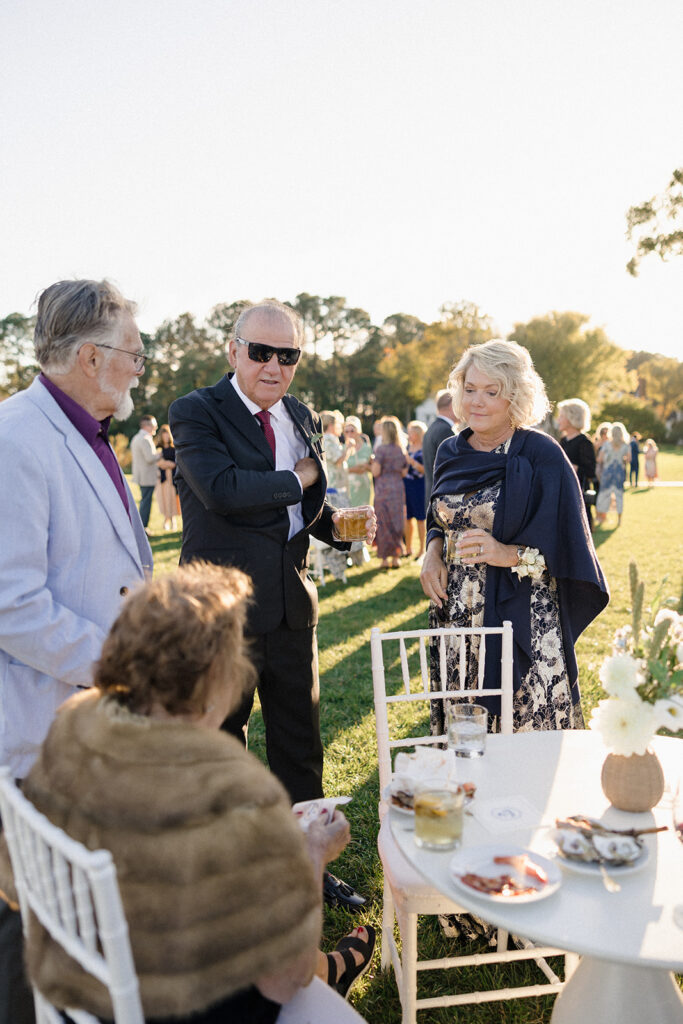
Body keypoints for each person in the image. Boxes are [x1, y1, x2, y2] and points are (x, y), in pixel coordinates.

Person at [0, 564, 376, 1023]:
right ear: (215, 680)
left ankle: (333, 969)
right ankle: (334, 971)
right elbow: (283, 978)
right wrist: (313, 854)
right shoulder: (232, 793)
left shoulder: (72, 727)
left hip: (79, 986)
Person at [169, 300, 375, 910]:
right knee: (220, 741)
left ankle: (304, 863)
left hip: (291, 608)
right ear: (233, 351)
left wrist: (337, 525)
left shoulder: (301, 414)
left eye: (289, 355)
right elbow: (224, 492)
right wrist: (307, 476)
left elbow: (296, 513)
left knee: (298, 744)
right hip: (220, 615)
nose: (274, 366)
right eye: (261, 352)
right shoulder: (196, 410)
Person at [0, 278, 153, 1024]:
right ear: (91, 357)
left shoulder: (87, 432)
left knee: (79, 933)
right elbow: (11, 603)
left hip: (90, 729)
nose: (139, 366)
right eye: (132, 351)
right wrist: (122, 666)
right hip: (39, 738)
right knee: (31, 943)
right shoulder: (17, 438)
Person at [420, 340, 608, 738]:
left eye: (493, 392)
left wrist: (505, 553)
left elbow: (569, 552)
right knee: (465, 733)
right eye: (470, 389)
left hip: (522, 616)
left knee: (520, 732)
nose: (477, 401)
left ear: (516, 397)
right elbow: (439, 517)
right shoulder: (450, 451)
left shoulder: (542, 455)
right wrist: (431, 552)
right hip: (458, 613)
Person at [371, 416, 408, 569]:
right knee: (396, 520)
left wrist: (371, 464)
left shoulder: (381, 450)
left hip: (383, 488)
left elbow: (375, 471)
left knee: (383, 521)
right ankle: (396, 557)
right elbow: (405, 472)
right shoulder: (401, 450)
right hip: (397, 487)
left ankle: (385, 559)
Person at [557, 399, 597, 530]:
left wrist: (574, 467)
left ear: (571, 417)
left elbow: (591, 471)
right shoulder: (563, 440)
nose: (558, 419)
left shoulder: (584, 442)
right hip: (563, 492)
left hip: (578, 495)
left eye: (561, 416)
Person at [422, 389, 457, 513]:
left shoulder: (432, 428)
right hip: (442, 497)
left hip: (432, 492)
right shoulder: (445, 431)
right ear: (452, 406)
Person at [595, 422, 630, 527]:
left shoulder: (606, 445)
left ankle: (601, 517)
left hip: (608, 472)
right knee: (619, 495)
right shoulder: (625, 446)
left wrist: (607, 458)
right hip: (619, 472)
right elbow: (629, 459)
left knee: (604, 494)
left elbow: (599, 459)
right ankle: (619, 520)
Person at [131, 414, 162, 530]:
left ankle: (142, 527)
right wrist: (161, 453)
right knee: (146, 503)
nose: (156, 427)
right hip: (146, 476)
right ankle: (143, 527)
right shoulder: (145, 439)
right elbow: (150, 458)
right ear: (146, 425)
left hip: (141, 475)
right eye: (154, 425)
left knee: (145, 501)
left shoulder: (136, 437)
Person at [403, 420, 427, 558]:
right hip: (407, 483)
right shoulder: (407, 447)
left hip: (419, 484)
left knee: (419, 517)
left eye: (411, 432)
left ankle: (422, 549)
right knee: (407, 517)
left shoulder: (424, 449)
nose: (409, 435)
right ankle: (408, 548)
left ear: (418, 433)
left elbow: (425, 470)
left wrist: (412, 462)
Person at [344, 416, 373, 507]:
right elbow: (337, 469)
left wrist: (366, 467)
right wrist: (353, 469)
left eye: (352, 431)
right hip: (348, 486)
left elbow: (373, 467)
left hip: (364, 486)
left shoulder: (366, 447)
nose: (349, 433)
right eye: (346, 431)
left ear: (358, 431)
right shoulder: (343, 449)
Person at [155, 423, 178, 531]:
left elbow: (175, 463)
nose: (166, 437)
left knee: (172, 498)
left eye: (167, 434)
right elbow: (158, 463)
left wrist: (167, 463)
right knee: (163, 498)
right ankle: (166, 519)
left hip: (172, 477)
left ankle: (173, 520)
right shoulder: (158, 448)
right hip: (162, 478)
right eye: (163, 435)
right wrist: (167, 464)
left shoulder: (175, 448)